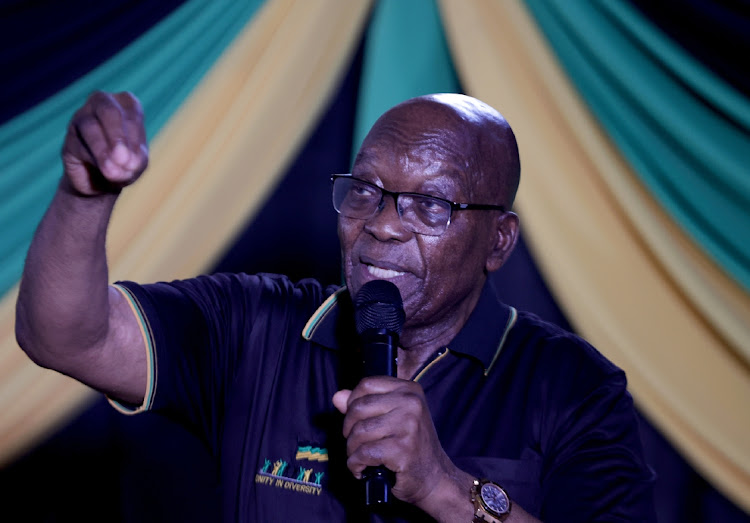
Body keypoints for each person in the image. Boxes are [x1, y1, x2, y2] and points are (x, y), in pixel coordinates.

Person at [16, 91, 655, 522]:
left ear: (499, 241)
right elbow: (66, 337)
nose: (383, 226)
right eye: (367, 192)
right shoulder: (256, 326)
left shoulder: (575, 389)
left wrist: (446, 489)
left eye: (433, 206)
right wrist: (86, 195)